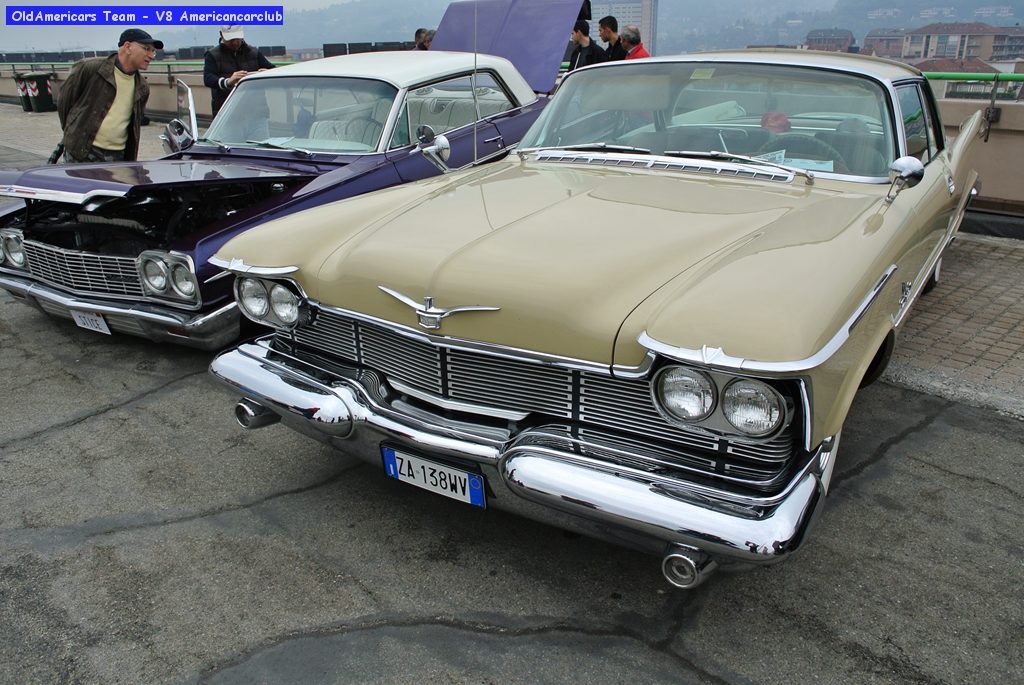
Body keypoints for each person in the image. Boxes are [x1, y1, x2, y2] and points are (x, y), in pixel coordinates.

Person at [56, 28, 161, 163]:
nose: (151, 55)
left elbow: (133, 125)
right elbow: (64, 103)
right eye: (146, 49)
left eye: (153, 51)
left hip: (118, 157)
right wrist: (73, 134)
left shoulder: (142, 87)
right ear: (128, 47)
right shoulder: (91, 69)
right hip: (82, 153)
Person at [203, 25, 274, 117]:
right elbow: (208, 78)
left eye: (237, 39)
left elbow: (274, 70)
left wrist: (267, 73)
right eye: (231, 40)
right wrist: (227, 82)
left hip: (256, 112)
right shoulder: (212, 55)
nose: (235, 43)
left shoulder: (253, 52)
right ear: (221, 35)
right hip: (227, 114)